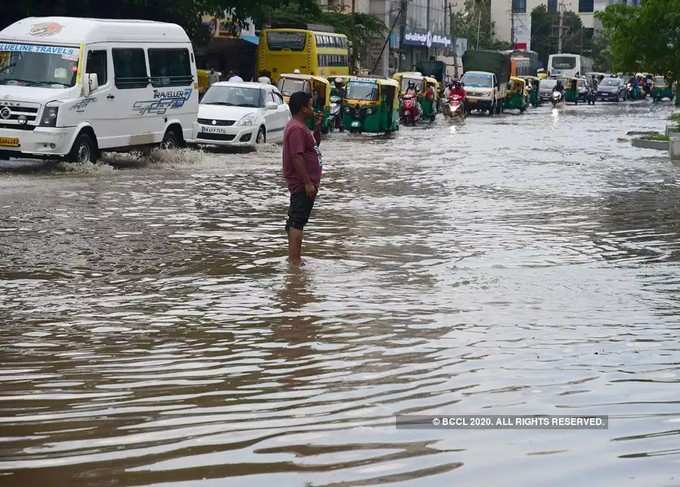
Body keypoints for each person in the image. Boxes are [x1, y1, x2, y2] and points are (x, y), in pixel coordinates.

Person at [282, 92, 323, 265]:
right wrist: (307, 182)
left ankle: (294, 260)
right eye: (310, 105)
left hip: (306, 183)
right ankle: (295, 262)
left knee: (295, 219)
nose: (312, 109)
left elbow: (313, 146)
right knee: (298, 221)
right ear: (303, 108)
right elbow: (296, 157)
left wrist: (318, 127)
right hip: (302, 184)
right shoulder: (296, 129)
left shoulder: (301, 127)